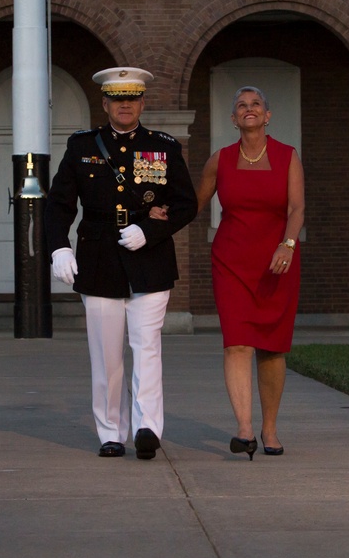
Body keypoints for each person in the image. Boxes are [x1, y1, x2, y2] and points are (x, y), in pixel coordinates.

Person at [44, 67, 197, 460]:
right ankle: (111, 431)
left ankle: (147, 428)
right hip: (98, 259)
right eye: (117, 98)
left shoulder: (163, 146)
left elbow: (185, 204)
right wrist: (59, 247)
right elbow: (59, 204)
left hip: (150, 257)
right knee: (107, 354)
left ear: (142, 102)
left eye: (132, 98)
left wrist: (151, 230)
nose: (125, 105)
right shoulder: (81, 146)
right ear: (105, 103)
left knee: (147, 348)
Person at [165, 86, 304, 460]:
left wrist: (287, 245)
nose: (249, 109)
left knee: (271, 349)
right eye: (241, 105)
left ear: (268, 114)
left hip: (277, 262)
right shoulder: (220, 160)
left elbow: (296, 209)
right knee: (237, 342)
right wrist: (161, 217)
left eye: (256, 104)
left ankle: (270, 428)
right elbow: (195, 204)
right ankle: (244, 430)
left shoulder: (287, 156)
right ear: (233, 118)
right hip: (230, 261)